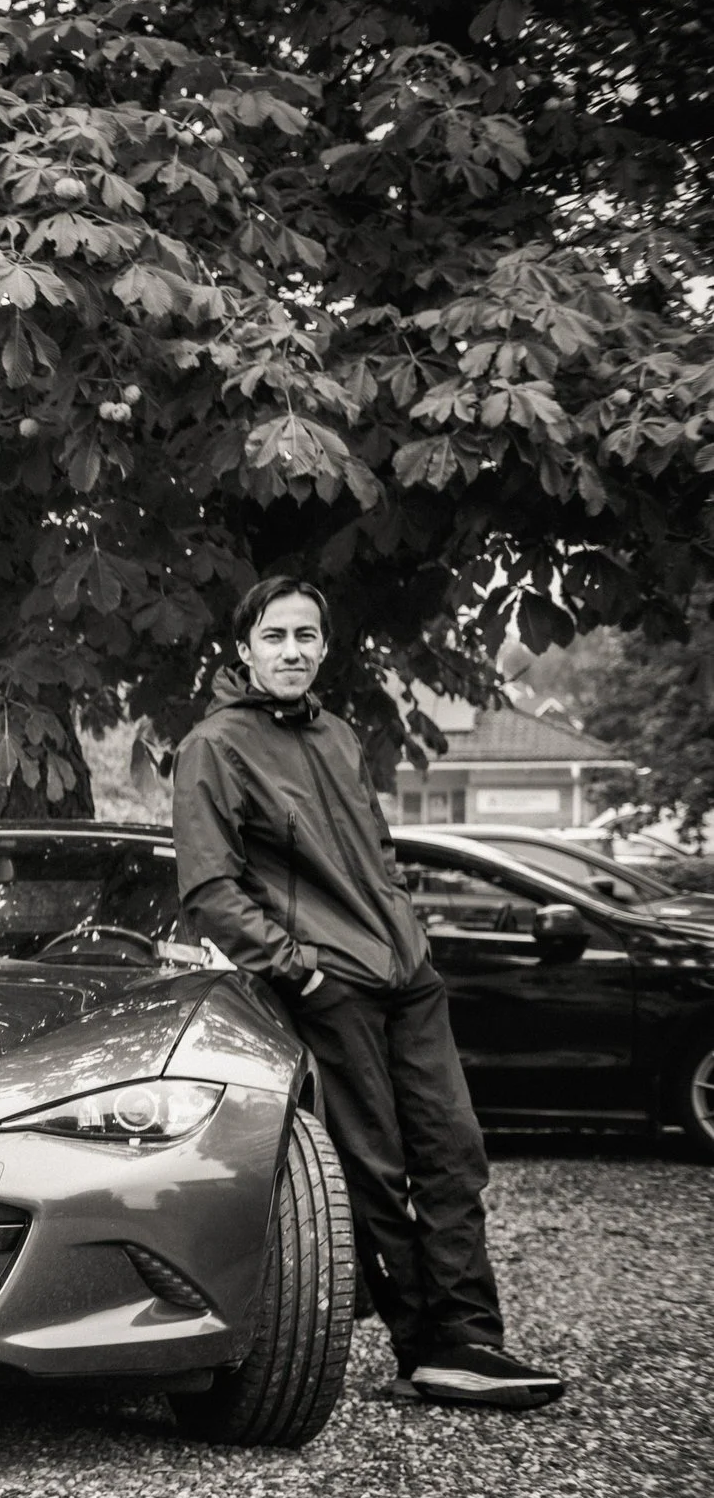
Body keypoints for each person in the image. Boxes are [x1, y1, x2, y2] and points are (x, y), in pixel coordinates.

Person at [173, 575, 564, 1410]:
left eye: (306, 636)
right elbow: (209, 887)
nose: (292, 650)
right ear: (244, 649)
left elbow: (379, 853)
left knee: (454, 1154)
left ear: (324, 645)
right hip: (331, 982)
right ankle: (423, 1349)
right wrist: (297, 967)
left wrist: (410, 932)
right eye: (274, 636)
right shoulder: (215, 744)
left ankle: (471, 1338)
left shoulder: (341, 736)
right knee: (376, 1171)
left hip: (408, 977)